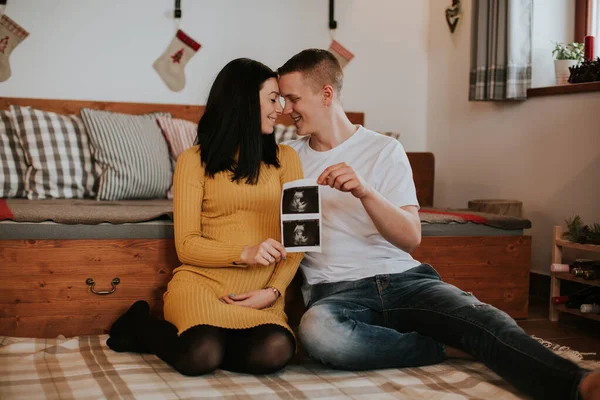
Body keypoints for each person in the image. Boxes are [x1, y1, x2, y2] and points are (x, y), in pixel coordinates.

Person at [277, 49, 600, 400]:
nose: (285, 109)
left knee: (484, 320)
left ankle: (577, 383)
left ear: (326, 94)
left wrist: (365, 192)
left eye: (293, 98)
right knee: (318, 334)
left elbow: (411, 237)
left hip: (403, 281)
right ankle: (442, 349)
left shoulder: (384, 150)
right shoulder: (289, 159)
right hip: (335, 293)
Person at [106, 58, 304, 377]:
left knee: (275, 351)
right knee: (200, 355)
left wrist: (274, 291)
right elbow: (186, 245)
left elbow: (299, 239)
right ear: (243, 101)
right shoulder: (193, 161)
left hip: (262, 290)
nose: (280, 108)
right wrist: (244, 253)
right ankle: (142, 326)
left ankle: (210, 339)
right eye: (272, 98)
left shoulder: (287, 159)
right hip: (203, 284)